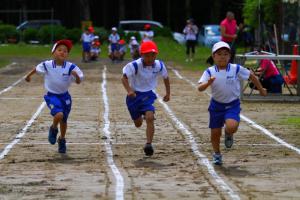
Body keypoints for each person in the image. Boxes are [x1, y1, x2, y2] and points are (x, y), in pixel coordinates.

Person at [198, 41, 267, 165]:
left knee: (232, 126)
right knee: (215, 133)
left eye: (225, 54)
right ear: (213, 56)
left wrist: (261, 90)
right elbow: (200, 88)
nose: (222, 56)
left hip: (232, 105)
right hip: (216, 106)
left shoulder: (235, 69)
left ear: (230, 56)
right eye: (219, 54)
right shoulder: (210, 71)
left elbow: (252, 76)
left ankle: (229, 133)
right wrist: (208, 83)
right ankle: (217, 154)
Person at [25, 39, 84, 153]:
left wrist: (76, 76)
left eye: (65, 51)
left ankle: (62, 140)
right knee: (58, 114)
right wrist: (28, 76)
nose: (62, 52)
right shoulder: (47, 65)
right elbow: (36, 69)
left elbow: (78, 81)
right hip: (52, 96)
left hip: (65, 97)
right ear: (53, 52)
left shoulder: (71, 67)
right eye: (60, 50)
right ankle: (53, 129)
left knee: (64, 120)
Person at [121, 41, 170, 156]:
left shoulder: (159, 65)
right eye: (147, 55)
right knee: (138, 123)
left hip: (148, 95)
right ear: (142, 55)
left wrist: (168, 93)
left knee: (150, 117)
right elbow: (123, 78)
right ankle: (140, 114)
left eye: (152, 55)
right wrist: (129, 90)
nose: (150, 58)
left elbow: (166, 78)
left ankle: (149, 144)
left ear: (156, 55)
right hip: (134, 97)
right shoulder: (134, 65)